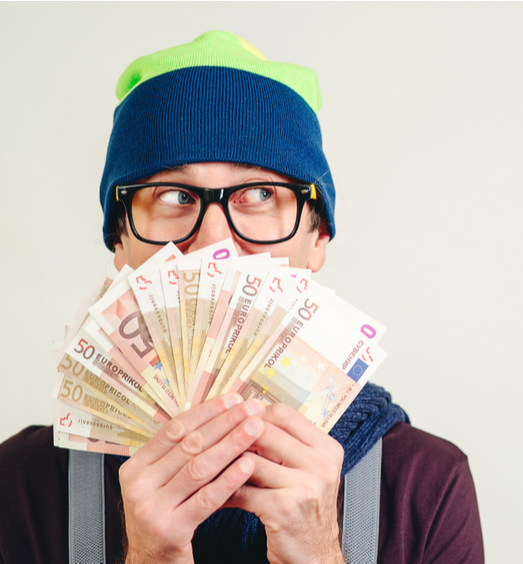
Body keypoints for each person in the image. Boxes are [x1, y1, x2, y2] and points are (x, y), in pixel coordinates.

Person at [0, 31, 484, 564]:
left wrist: (321, 556)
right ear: (120, 240)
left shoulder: (427, 485)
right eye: (174, 196)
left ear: (317, 235)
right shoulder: (21, 485)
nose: (213, 244)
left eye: (259, 194)